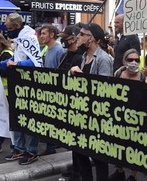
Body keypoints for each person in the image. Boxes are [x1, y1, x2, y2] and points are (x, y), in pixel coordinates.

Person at [0, 12, 43, 165]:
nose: (7, 31)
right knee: (17, 120)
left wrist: (18, 65)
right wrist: (2, 64)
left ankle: (31, 152)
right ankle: (19, 149)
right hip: (17, 85)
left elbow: (37, 63)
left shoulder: (29, 38)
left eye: (9, 28)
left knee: (28, 120)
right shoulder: (19, 38)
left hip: (29, 86)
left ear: (17, 26)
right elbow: (17, 58)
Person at [70, 22, 112, 181]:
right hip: (81, 113)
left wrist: (82, 76)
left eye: (82, 34)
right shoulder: (82, 57)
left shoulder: (103, 59)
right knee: (79, 151)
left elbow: (104, 88)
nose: (78, 37)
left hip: (96, 116)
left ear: (93, 39)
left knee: (98, 156)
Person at [110, 49, 147, 181]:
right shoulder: (118, 74)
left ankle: (133, 175)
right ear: (124, 61)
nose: (134, 62)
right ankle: (120, 170)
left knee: (135, 148)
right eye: (130, 60)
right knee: (119, 145)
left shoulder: (143, 78)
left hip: (136, 119)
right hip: (119, 116)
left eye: (137, 60)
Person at [57, 24, 84, 180]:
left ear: (73, 39)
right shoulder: (64, 55)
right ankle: (75, 167)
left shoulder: (79, 57)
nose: (63, 41)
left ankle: (78, 171)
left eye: (65, 38)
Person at [39, 24, 64, 156]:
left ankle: (52, 147)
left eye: (44, 33)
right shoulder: (47, 49)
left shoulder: (59, 50)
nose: (41, 36)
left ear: (52, 35)